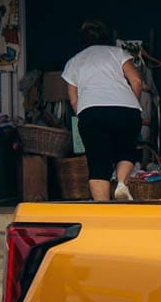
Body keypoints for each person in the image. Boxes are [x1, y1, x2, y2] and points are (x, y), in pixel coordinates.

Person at [62, 20, 145, 201]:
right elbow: (137, 81)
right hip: (126, 109)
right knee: (126, 150)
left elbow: (74, 100)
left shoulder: (73, 62)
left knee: (98, 162)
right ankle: (122, 184)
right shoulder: (118, 53)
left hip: (91, 111)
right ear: (105, 37)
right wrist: (132, 102)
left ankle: (103, 208)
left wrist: (84, 116)